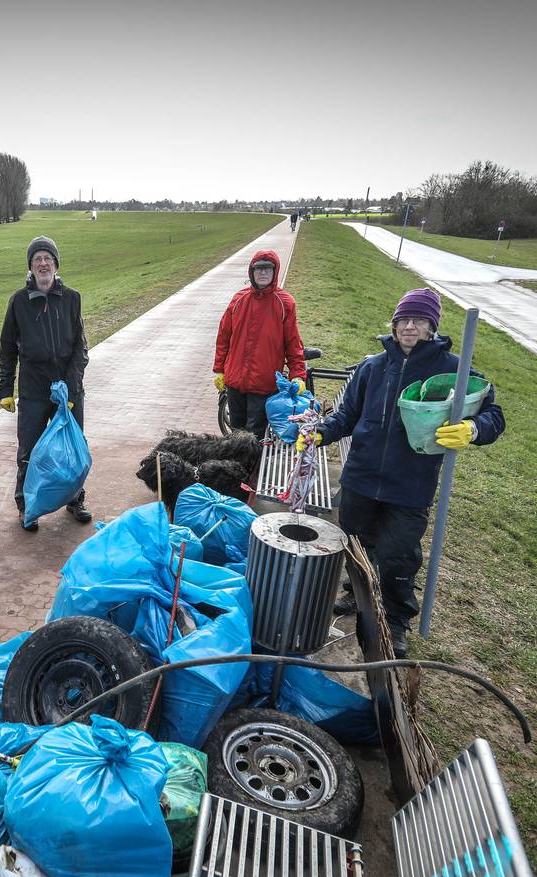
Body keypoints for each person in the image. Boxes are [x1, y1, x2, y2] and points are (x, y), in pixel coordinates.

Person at [297, 288, 505, 658]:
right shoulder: (373, 367)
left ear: (432, 326)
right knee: (356, 544)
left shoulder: (453, 372)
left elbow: (494, 414)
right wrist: (321, 433)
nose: (409, 327)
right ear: (394, 324)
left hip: (410, 485)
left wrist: (473, 428)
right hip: (361, 477)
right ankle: (357, 592)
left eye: (419, 320)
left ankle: (395, 621)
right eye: (403, 320)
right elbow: (348, 416)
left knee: (398, 557)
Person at [0, 235, 91, 531]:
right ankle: (26, 506)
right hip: (33, 390)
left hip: (68, 391)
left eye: (47, 258)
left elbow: (80, 349)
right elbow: (7, 348)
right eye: (37, 259)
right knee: (29, 451)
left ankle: (75, 499)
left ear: (55, 264)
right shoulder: (18, 301)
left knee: (72, 448)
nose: (43, 263)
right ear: (30, 266)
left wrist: (71, 389)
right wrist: (5, 389)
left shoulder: (72, 298)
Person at [212, 249, 307, 440]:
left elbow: (293, 343)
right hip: (235, 381)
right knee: (235, 433)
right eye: (259, 269)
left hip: (263, 383)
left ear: (275, 272)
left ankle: (255, 460)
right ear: (252, 271)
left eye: (268, 269)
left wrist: (297, 375)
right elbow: (223, 336)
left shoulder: (285, 303)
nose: (263, 273)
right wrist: (220, 369)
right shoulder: (238, 300)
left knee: (255, 436)